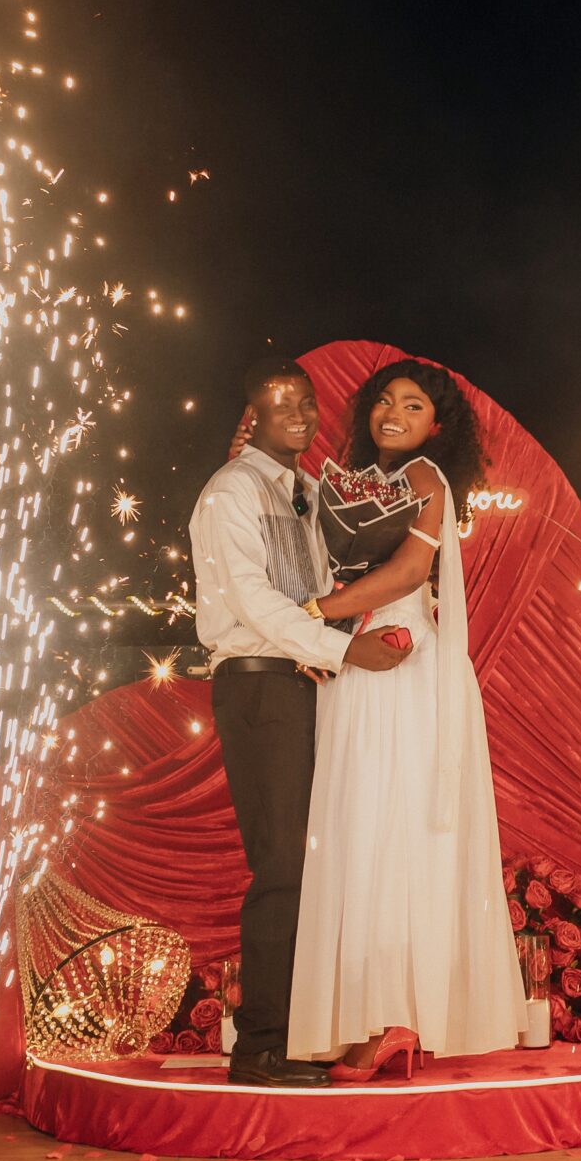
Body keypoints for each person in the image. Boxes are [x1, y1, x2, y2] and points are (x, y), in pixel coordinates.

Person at [284, 358, 527, 1077]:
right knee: (363, 828)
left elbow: (408, 574)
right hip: (361, 657)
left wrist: (310, 615)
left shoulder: (423, 478)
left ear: (437, 425)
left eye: (413, 405)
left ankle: (394, 1014)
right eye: (385, 400)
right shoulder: (369, 481)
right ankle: (374, 1011)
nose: (393, 413)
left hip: (399, 663)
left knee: (387, 828)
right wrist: (327, 633)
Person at [188, 361, 413, 1087]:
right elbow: (253, 601)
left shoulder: (310, 492)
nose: (298, 414)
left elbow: (319, 590)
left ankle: (312, 1032)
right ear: (251, 415)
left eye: (307, 402)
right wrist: (343, 651)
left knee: (318, 863)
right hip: (259, 683)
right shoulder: (230, 492)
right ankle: (262, 1046)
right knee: (283, 863)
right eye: (279, 403)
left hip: (308, 681)